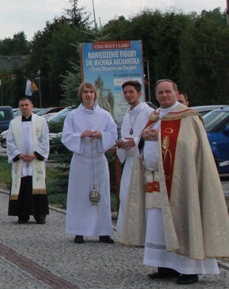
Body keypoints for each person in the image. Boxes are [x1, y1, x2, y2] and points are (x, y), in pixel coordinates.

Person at [120, 80, 229, 284]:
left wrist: (159, 135)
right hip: (155, 180)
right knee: (157, 226)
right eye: (160, 92)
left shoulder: (187, 116)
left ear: (175, 92)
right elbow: (144, 140)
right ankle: (165, 266)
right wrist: (145, 137)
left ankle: (189, 269)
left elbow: (188, 146)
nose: (164, 95)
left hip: (179, 183)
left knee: (183, 222)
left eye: (167, 91)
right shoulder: (155, 116)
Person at [62, 82, 117, 244]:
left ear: (95, 94)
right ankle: (79, 231)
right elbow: (66, 136)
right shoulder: (73, 115)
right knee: (79, 196)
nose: (88, 95)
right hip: (81, 160)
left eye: (91, 92)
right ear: (81, 95)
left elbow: (112, 134)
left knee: (102, 195)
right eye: (85, 92)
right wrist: (80, 135)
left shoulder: (105, 115)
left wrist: (101, 135)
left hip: (98, 159)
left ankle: (103, 231)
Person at [115, 80, 151, 235]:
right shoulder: (127, 115)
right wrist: (121, 144)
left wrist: (135, 142)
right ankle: (127, 232)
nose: (128, 95)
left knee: (140, 198)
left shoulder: (148, 113)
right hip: (129, 161)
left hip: (142, 161)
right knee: (126, 195)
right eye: (125, 93)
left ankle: (141, 234)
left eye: (131, 92)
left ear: (139, 93)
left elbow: (151, 136)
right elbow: (126, 135)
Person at [6, 96, 49, 224]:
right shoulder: (13, 123)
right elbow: (10, 141)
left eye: (26, 105)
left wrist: (35, 154)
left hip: (35, 161)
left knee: (37, 185)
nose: (24, 107)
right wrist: (18, 155)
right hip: (20, 161)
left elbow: (45, 140)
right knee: (22, 186)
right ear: (19, 108)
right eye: (21, 105)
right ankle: (22, 214)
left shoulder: (41, 121)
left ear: (32, 106)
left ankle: (39, 214)